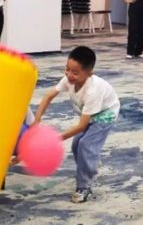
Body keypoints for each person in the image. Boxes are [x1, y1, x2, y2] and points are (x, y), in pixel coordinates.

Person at [33, 45, 120, 203]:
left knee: (85, 145)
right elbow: (48, 96)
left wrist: (56, 139)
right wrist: (37, 119)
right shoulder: (68, 79)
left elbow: (81, 126)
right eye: (67, 69)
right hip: (89, 114)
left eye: (75, 72)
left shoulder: (93, 91)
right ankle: (90, 163)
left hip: (105, 114)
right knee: (76, 146)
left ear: (89, 73)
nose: (69, 75)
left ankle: (84, 186)